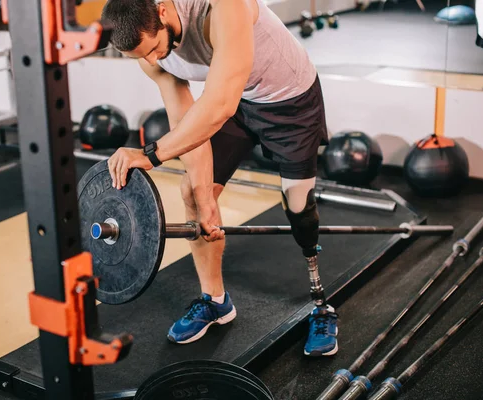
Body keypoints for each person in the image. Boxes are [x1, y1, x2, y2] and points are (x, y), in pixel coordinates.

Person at [101, 0, 338, 357]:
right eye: (141, 56)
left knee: (298, 206)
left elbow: (218, 104)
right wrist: (206, 196)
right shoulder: (147, 52)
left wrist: (150, 154)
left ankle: (321, 303)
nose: (151, 61)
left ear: (163, 12)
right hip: (241, 101)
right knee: (191, 193)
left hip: (292, 103)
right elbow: (184, 119)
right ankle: (215, 301)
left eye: (152, 49)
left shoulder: (222, 8)